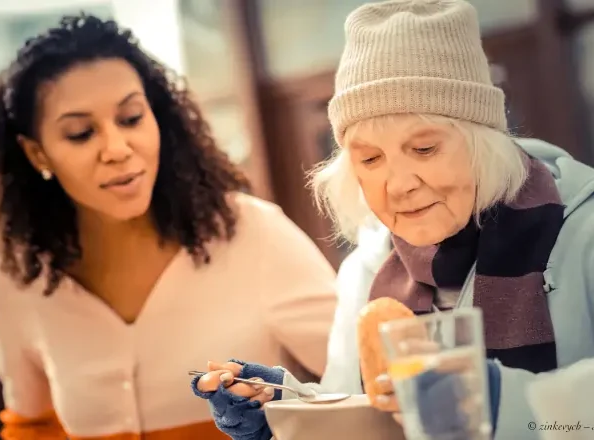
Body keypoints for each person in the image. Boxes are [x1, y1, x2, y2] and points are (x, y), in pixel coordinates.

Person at [191, 1, 594, 439]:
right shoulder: (366, 270)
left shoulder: (582, 232)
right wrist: (284, 410)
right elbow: (365, 414)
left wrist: (499, 400)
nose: (398, 184)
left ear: (485, 144)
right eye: (370, 158)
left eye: (424, 149)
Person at [0, 14, 339, 440]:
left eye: (132, 118)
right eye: (82, 133)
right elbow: (33, 427)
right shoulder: (18, 277)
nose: (117, 149)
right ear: (37, 154)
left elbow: (358, 386)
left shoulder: (252, 233)